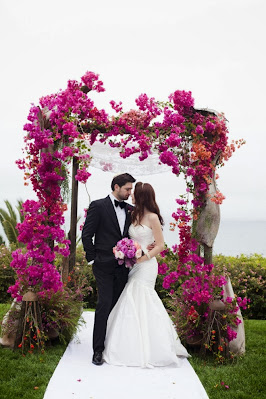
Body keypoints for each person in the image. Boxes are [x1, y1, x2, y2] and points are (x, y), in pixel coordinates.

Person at [103, 182, 189, 367]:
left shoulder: (152, 218)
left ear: (141, 196)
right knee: (131, 297)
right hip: (132, 264)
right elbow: (127, 238)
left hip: (147, 265)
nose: (131, 195)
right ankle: (128, 342)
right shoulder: (132, 214)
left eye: (134, 194)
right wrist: (126, 251)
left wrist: (144, 256)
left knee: (140, 296)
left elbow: (160, 245)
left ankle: (152, 347)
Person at [82, 173, 137, 366]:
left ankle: (115, 346)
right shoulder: (98, 206)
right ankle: (98, 350)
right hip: (103, 264)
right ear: (116, 187)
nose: (130, 193)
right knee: (104, 304)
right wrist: (92, 260)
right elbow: (87, 235)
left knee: (118, 306)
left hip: (124, 267)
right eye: (127, 189)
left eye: (131, 189)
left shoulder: (131, 210)